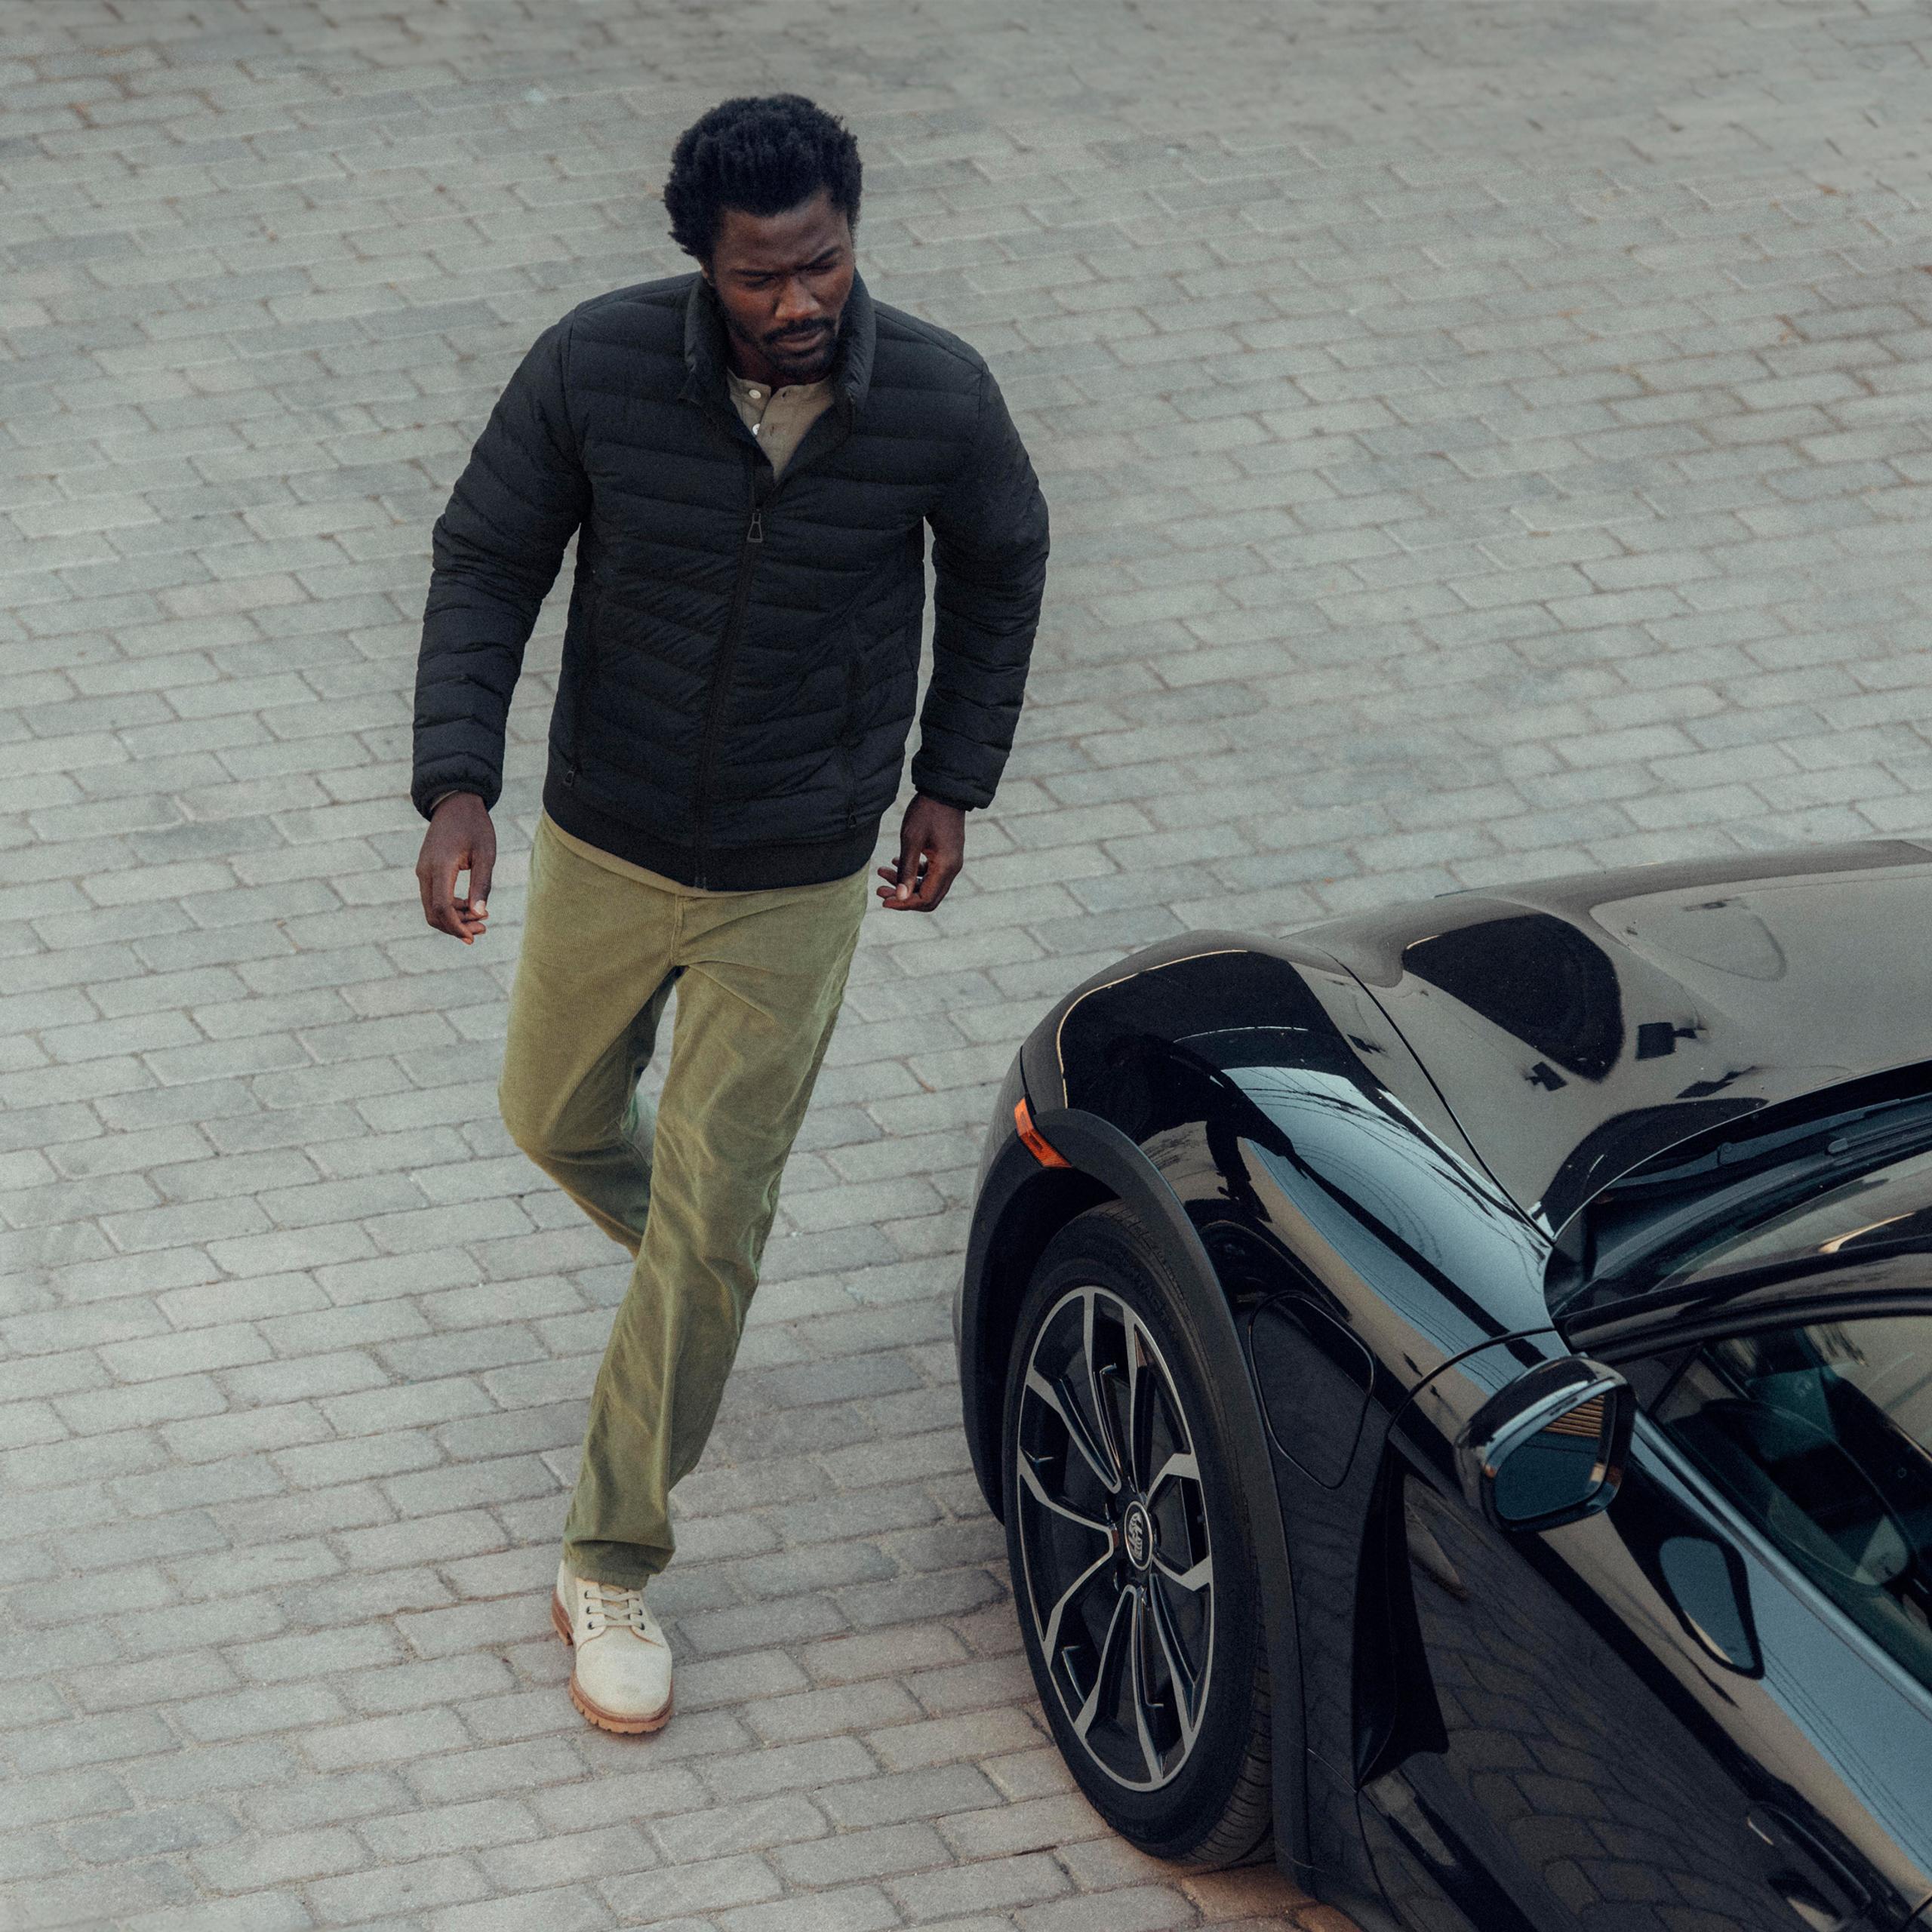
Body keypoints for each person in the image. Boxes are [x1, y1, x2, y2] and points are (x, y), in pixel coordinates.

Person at [408, 94, 1049, 1734]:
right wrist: (455, 785)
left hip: (799, 863)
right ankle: (696, 1288)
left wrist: (948, 778)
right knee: (547, 1114)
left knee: (713, 1200)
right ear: (702, 264)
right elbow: (487, 558)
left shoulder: (940, 400)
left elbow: (1003, 564)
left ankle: (608, 1555)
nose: (799, 301)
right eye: (762, 276)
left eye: (822, 262)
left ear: (852, 234)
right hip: (608, 834)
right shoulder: (596, 367)